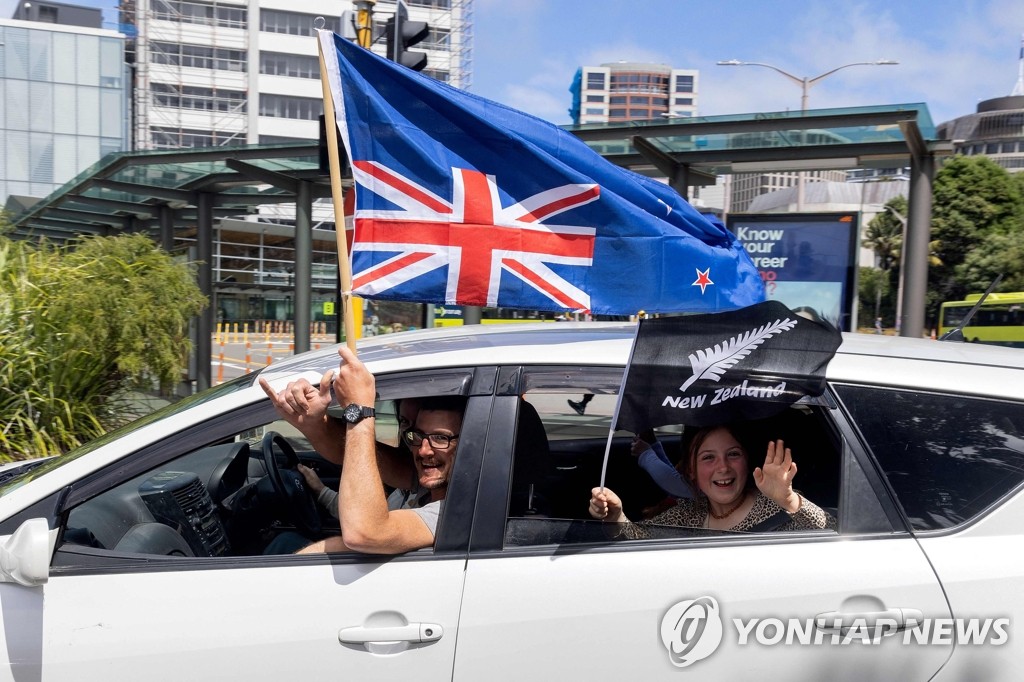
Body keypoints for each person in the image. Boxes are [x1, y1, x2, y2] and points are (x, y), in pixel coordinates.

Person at [260, 346, 465, 554]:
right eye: (415, 434)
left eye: (441, 438)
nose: (423, 451)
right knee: (284, 540)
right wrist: (314, 421)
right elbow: (347, 451)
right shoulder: (422, 479)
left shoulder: (457, 510)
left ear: (468, 442)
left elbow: (366, 532)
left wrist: (359, 411)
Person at [589, 424, 835, 534]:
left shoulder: (775, 506)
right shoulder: (687, 514)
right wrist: (616, 517)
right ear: (691, 470)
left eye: (733, 454)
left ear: (748, 461)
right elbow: (637, 541)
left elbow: (832, 531)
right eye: (708, 458)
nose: (723, 467)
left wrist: (790, 500)